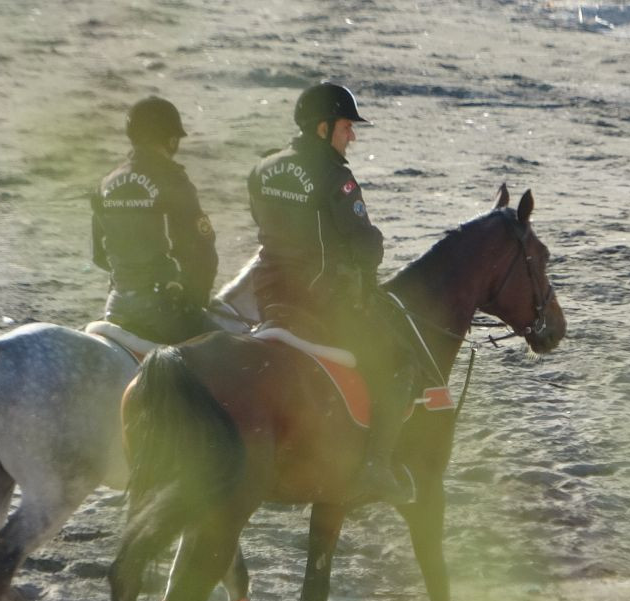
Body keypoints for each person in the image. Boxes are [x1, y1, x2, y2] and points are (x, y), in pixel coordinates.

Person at [247, 82, 415, 505]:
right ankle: (376, 466)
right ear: (322, 129)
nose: (352, 136)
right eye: (346, 127)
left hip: (267, 298)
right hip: (320, 301)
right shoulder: (336, 177)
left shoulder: (263, 167)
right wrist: (373, 244)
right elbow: (362, 246)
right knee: (399, 364)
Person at [91, 96, 218, 344]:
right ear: (171, 140)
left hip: (116, 305)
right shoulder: (173, 180)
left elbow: (99, 255)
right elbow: (201, 252)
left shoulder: (105, 183)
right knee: (232, 354)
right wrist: (194, 302)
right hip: (162, 312)